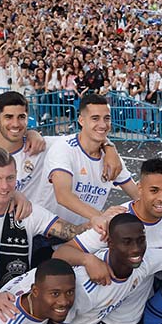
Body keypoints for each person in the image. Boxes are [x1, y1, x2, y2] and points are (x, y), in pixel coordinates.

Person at [0, 147, 89, 289]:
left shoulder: (28, 212)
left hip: (13, 299)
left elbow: (73, 232)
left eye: (10, 178)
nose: (4, 186)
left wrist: (98, 222)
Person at [43, 91, 137, 228]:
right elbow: (63, 195)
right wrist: (101, 216)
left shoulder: (111, 158)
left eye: (106, 118)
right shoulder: (64, 148)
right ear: (81, 121)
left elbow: (136, 194)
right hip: (50, 232)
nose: (103, 125)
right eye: (95, 118)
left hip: (87, 231)